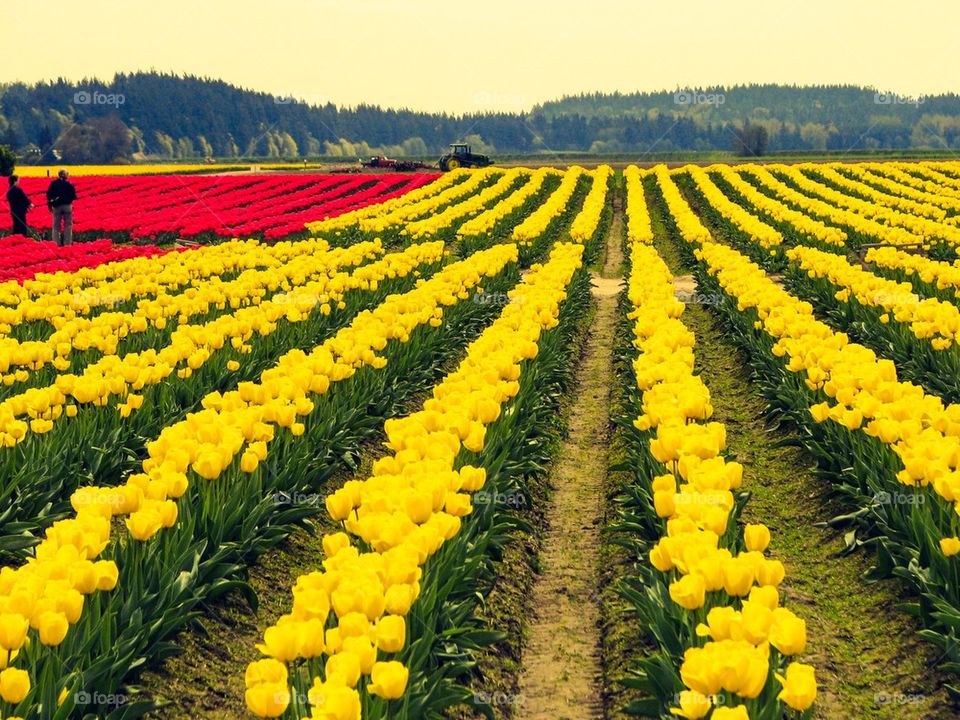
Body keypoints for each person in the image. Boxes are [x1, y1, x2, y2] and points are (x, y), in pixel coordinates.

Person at [47, 169, 77, 246]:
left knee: (56, 225)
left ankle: (56, 243)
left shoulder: (53, 184)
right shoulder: (69, 184)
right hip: (67, 206)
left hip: (57, 206)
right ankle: (67, 243)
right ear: (65, 175)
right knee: (68, 225)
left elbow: (48, 195)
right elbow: (74, 196)